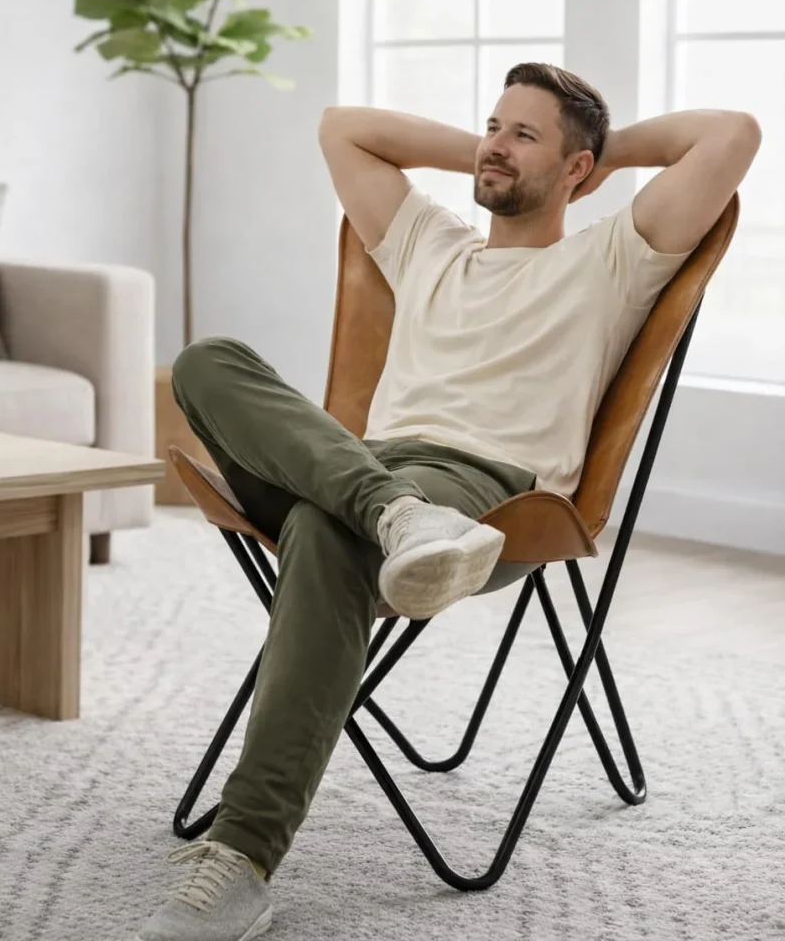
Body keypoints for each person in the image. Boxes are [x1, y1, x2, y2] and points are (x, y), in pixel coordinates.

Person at [135, 63, 761, 941]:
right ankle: (389, 514)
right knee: (208, 362)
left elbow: (732, 133)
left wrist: (601, 154)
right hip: (365, 469)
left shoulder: (611, 259)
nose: (494, 147)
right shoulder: (431, 240)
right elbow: (341, 124)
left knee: (324, 525)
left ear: (577, 170)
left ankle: (241, 856)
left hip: (481, 495)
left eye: (522, 135)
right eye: (490, 127)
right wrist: (495, 149)